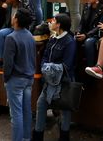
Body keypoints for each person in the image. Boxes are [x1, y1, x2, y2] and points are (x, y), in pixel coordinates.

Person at [32, 13, 76, 141]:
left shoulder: (69, 41)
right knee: (41, 105)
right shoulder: (52, 39)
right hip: (49, 82)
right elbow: (44, 57)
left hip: (65, 82)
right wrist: (46, 68)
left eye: (53, 20)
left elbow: (66, 65)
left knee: (65, 110)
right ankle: (38, 136)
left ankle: (64, 137)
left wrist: (47, 68)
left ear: (59, 25)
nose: (50, 22)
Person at [3, 8, 36, 141]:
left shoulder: (11, 38)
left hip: (15, 79)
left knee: (16, 113)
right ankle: (27, 138)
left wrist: (6, 78)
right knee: (26, 111)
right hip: (29, 77)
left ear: (16, 19)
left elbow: (8, 63)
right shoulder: (29, 35)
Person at [0, 0, 35, 69]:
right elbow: (5, 20)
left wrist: (29, 30)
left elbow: (33, 18)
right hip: (11, 28)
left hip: (21, 28)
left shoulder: (24, 6)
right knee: (0, 33)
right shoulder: (8, 7)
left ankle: (11, 61)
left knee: (9, 38)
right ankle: (0, 59)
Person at [75, 0, 103, 67]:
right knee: (73, 40)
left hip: (96, 35)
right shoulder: (86, 7)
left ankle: (91, 68)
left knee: (88, 42)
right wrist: (78, 31)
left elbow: (100, 26)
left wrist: (86, 35)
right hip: (85, 33)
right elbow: (81, 23)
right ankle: (76, 69)